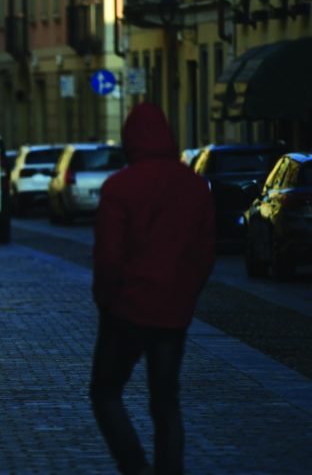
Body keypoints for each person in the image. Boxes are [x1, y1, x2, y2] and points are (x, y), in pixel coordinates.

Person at [90, 103, 215, 475]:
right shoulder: (193, 185)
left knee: (105, 391)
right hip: (172, 312)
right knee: (166, 401)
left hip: (126, 311)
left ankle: (134, 467)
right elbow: (204, 251)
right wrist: (187, 295)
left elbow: (109, 256)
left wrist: (106, 301)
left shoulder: (120, 187)